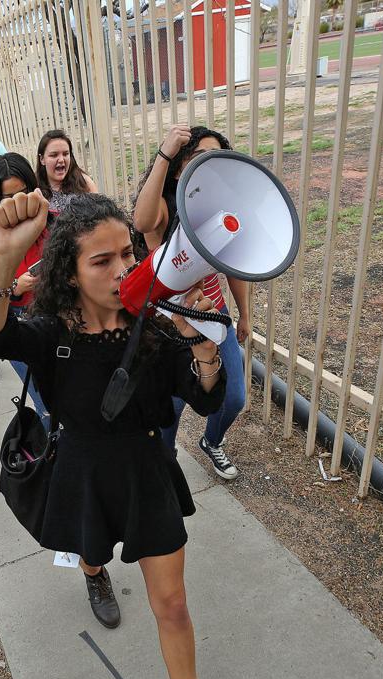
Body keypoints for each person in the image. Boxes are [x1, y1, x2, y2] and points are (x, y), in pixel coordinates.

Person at [0, 190, 222, 679]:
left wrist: (204, 346)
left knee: (171, 604)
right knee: (92, 549)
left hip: (148, 472)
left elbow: (205, 395)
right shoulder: (52, 333)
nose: (122, 269)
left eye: (128, 254)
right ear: (71, 273)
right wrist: (7, 256)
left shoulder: (157, 326)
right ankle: (94, 575)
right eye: (101, 260)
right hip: (82, 472)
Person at [133, 124, 249, 480]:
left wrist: (244, 314)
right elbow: (141, 220)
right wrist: (164, 154)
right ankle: (163, 461)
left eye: (216, 158)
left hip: (213, 316)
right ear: (181, 165)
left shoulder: (221, 211)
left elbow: (235, 266)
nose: (208, 165)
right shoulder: (166, 209)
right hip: (170, 323)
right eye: (199, 157)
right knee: (173, 404)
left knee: (233, 398)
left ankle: (212, 441)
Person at [0, 154, 49, 407]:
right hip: (20, 323)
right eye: (8, 199)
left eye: (24, 193)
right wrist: (15, 286)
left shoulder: (51, 223)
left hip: (57, 318)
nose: (19, 204)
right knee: (43, 399)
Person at [36, 129, 98, 213]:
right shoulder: (35, 189)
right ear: (42, 159)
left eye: (65, 154)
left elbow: (99, 216)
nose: (61, 159)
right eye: (54, 155)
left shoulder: (84, 182)